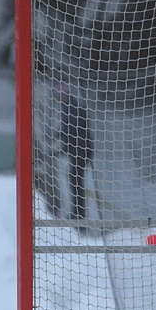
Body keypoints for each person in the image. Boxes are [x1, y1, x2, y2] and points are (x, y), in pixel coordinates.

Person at [58, 83, 93, 222]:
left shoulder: (72, 108)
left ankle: (79, 215)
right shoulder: (67, 107)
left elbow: (73, 131)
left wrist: (64, 146)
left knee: (76, 181)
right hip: (76, 150)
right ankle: (77, 212)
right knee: (74, 180)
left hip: (80, 150)